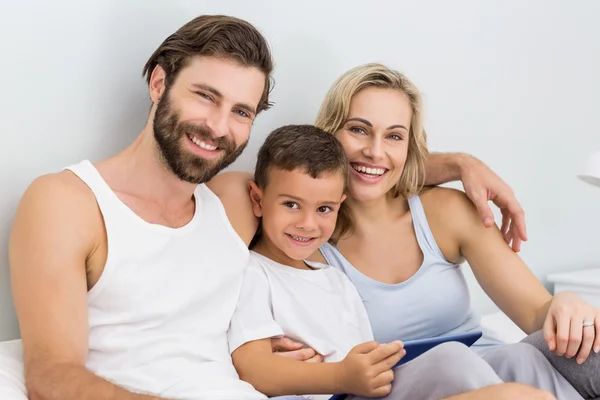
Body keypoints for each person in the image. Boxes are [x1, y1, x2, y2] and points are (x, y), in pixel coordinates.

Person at [0, 13, 547, 400]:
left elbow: (340, 173)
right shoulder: (70, 202)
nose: (219, 128)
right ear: (159, 81)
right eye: (205, 96)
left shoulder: (235, 203)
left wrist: (459, 164)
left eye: (242, 111)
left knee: (526, 392)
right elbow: (51, 375)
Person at [303, 63, 599, 399]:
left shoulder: (445, 211)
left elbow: (536, 312)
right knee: (452, 360)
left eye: (394, 136)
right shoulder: (304, 238)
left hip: (489, 367)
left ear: (410, 146)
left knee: (531, 353)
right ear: (328, 133)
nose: (375, 150)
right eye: (358, 129)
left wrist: (566, 303)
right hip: (390, 388)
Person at [227, 124, 554, 400]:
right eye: (291, 205)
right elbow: (254, 368)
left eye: (324, 209)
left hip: (365, 391)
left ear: (340, 205)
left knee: (515, 359)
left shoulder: (334, 279)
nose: (308, 224)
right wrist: (340, 375)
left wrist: (371, 366)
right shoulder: (251, 272)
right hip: (340, 392)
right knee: (455, 362)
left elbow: (362, 356)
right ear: (257, 199)